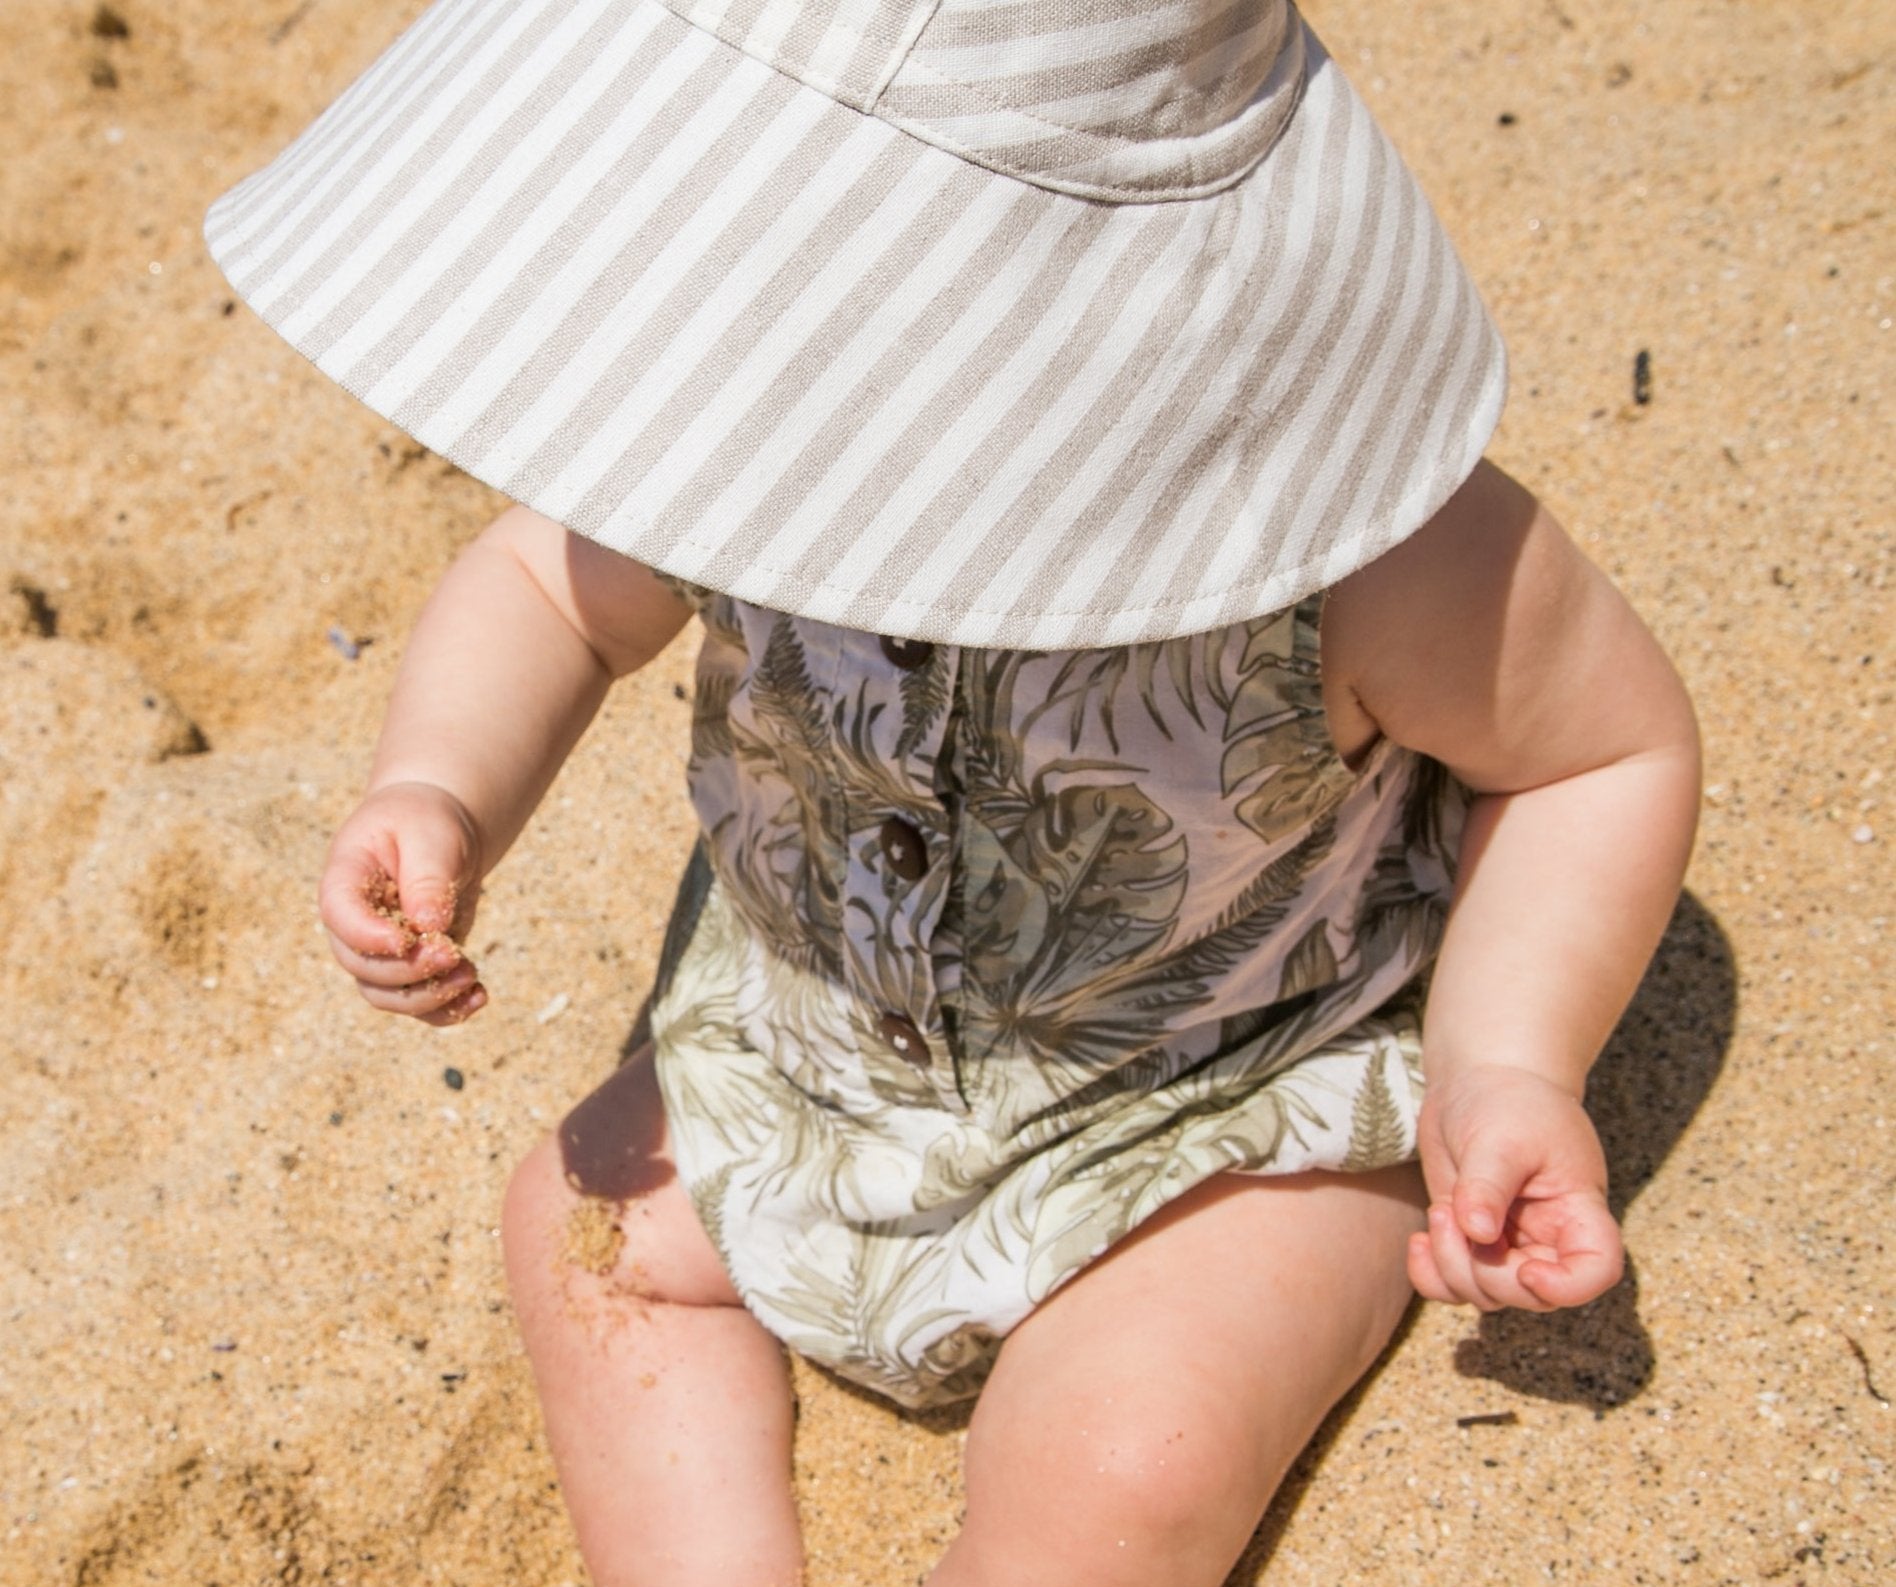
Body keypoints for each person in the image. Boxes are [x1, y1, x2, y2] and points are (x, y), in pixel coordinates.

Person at [208, 2, 1700, 1583]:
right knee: (581, 1239)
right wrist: (438, 786)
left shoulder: (1358, 555)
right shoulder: (742, 438)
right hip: (818, 1043)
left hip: (1211, 1091)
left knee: (1134, 1455)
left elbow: (1601, 752)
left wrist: (1504, 1061)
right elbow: (547, 591)